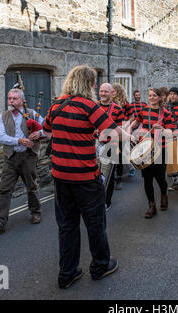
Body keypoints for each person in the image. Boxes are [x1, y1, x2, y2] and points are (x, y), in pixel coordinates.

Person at [43, 65, 124, 288]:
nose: (96, 87)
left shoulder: (56, 106)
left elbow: (46, 129)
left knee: (67, 225)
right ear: (88, 84)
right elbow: (114, 132)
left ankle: (67, 273)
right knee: (95, 223)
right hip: (85, 178)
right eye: (94, 82)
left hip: (60, 176)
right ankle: (100, 266)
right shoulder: (90, 106)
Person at [0, 88, 44, 237]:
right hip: (11, 157)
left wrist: (38, 134)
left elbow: (46, 128)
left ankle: (35, 212)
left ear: (22, 101)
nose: (11, 101)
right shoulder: (3, 116)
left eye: (15, 99)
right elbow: (1, 136)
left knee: (31, 186)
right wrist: (19, 140)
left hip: (28, 156)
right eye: (9, 98)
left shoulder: (32, 113)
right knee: (4, 189)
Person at [129, 88, 173, 218]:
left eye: (154, 95)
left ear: (160, 98)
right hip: (145, 150)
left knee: (160, 179)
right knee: (147, 180)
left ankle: (164, 194)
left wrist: (162, 129)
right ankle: (151, 206)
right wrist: (130, 129)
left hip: (161, 150)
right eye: (149, 95)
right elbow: (136, 122)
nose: (151, 98)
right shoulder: (144, 110)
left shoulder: (166, 114)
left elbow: (170, 134)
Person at [98, 83, 125, 211]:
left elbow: (119, 130)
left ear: (111, 93)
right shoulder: (94, 106)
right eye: (101, 91)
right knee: (94, 176)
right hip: (95, 145)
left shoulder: (118, 109)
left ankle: (106, 202)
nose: (103, 94)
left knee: (107, 177)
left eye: (106, 91)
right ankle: (95, 201)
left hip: (111, 145)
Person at [111, 83, 130, 188]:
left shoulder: (125, 103)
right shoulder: (109, 103)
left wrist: (127, 124)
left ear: (118, 91)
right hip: (110, 132)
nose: (112, 93)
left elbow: (132, 116)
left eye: (113, 91)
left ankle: (119, 179)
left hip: (122, 129)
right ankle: (111, 176)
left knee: (119, 156)